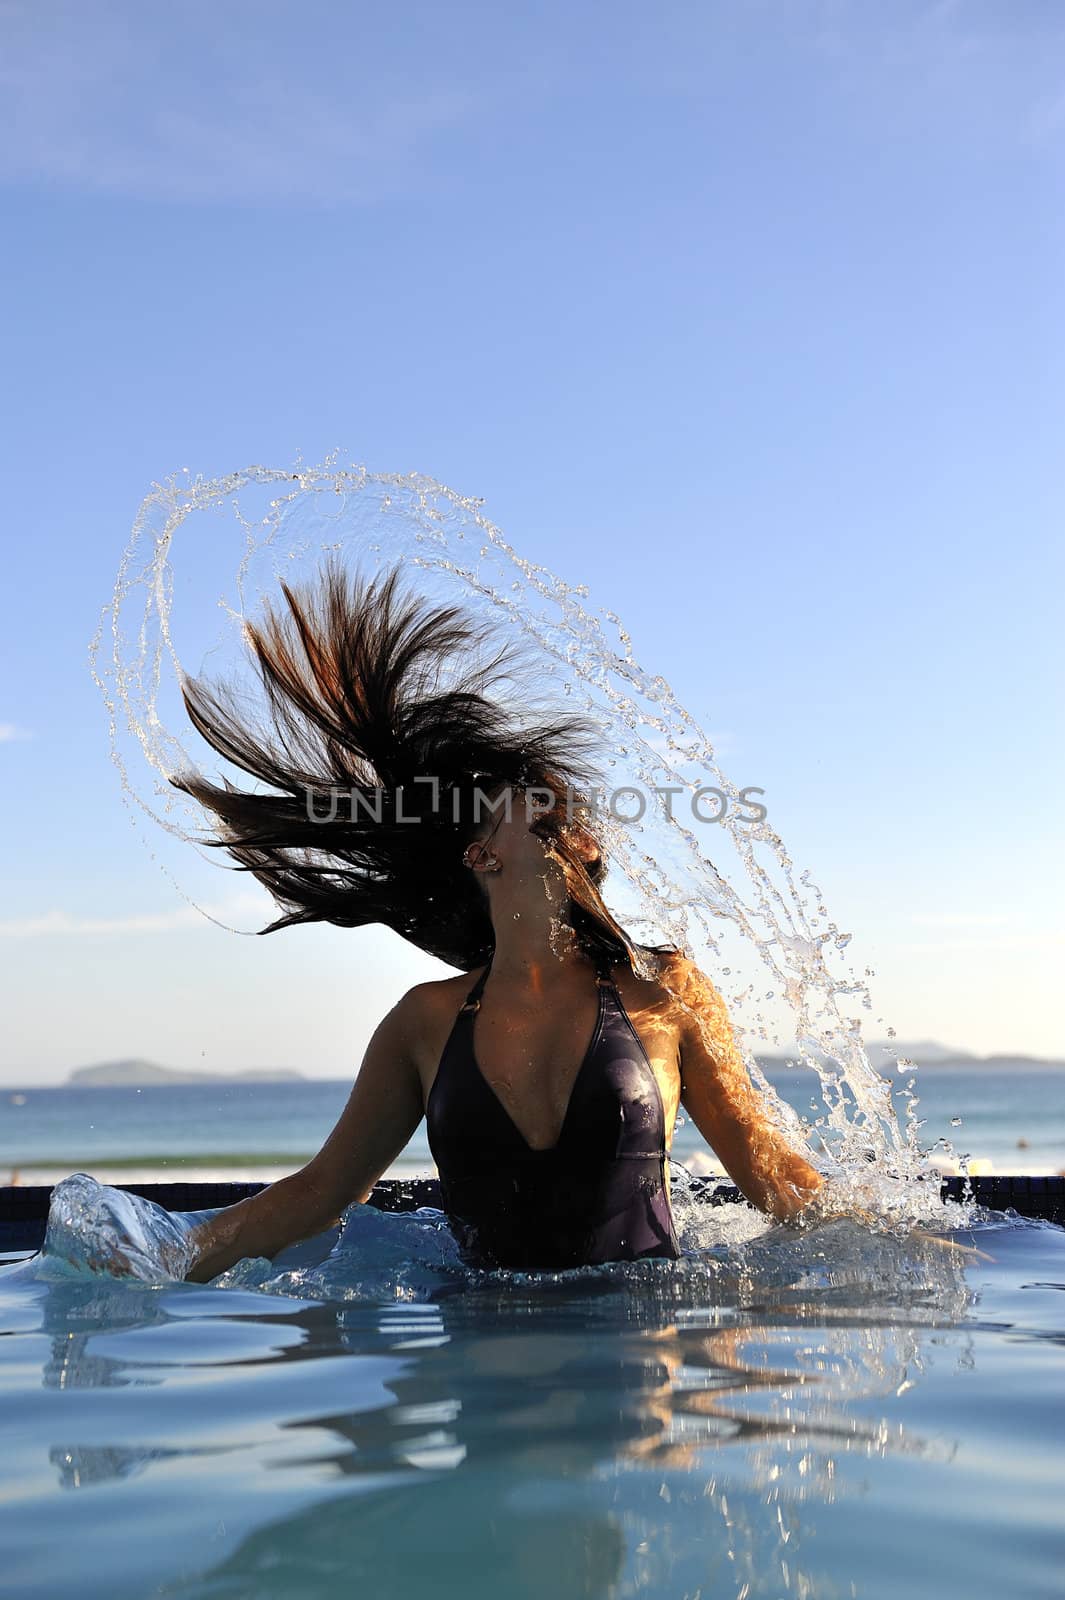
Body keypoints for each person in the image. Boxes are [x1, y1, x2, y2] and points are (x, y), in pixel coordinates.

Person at [174, 559, 825, 1282]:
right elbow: (320, 1193)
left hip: (641, 1355)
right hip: (481, 1355)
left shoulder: (665, 991)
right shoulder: (423, 1022)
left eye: (565, 809)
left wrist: (907, 1245)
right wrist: (159, 1259)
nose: (561, 810)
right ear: (479, 853)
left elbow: (773, 1176)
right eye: (531, 798)